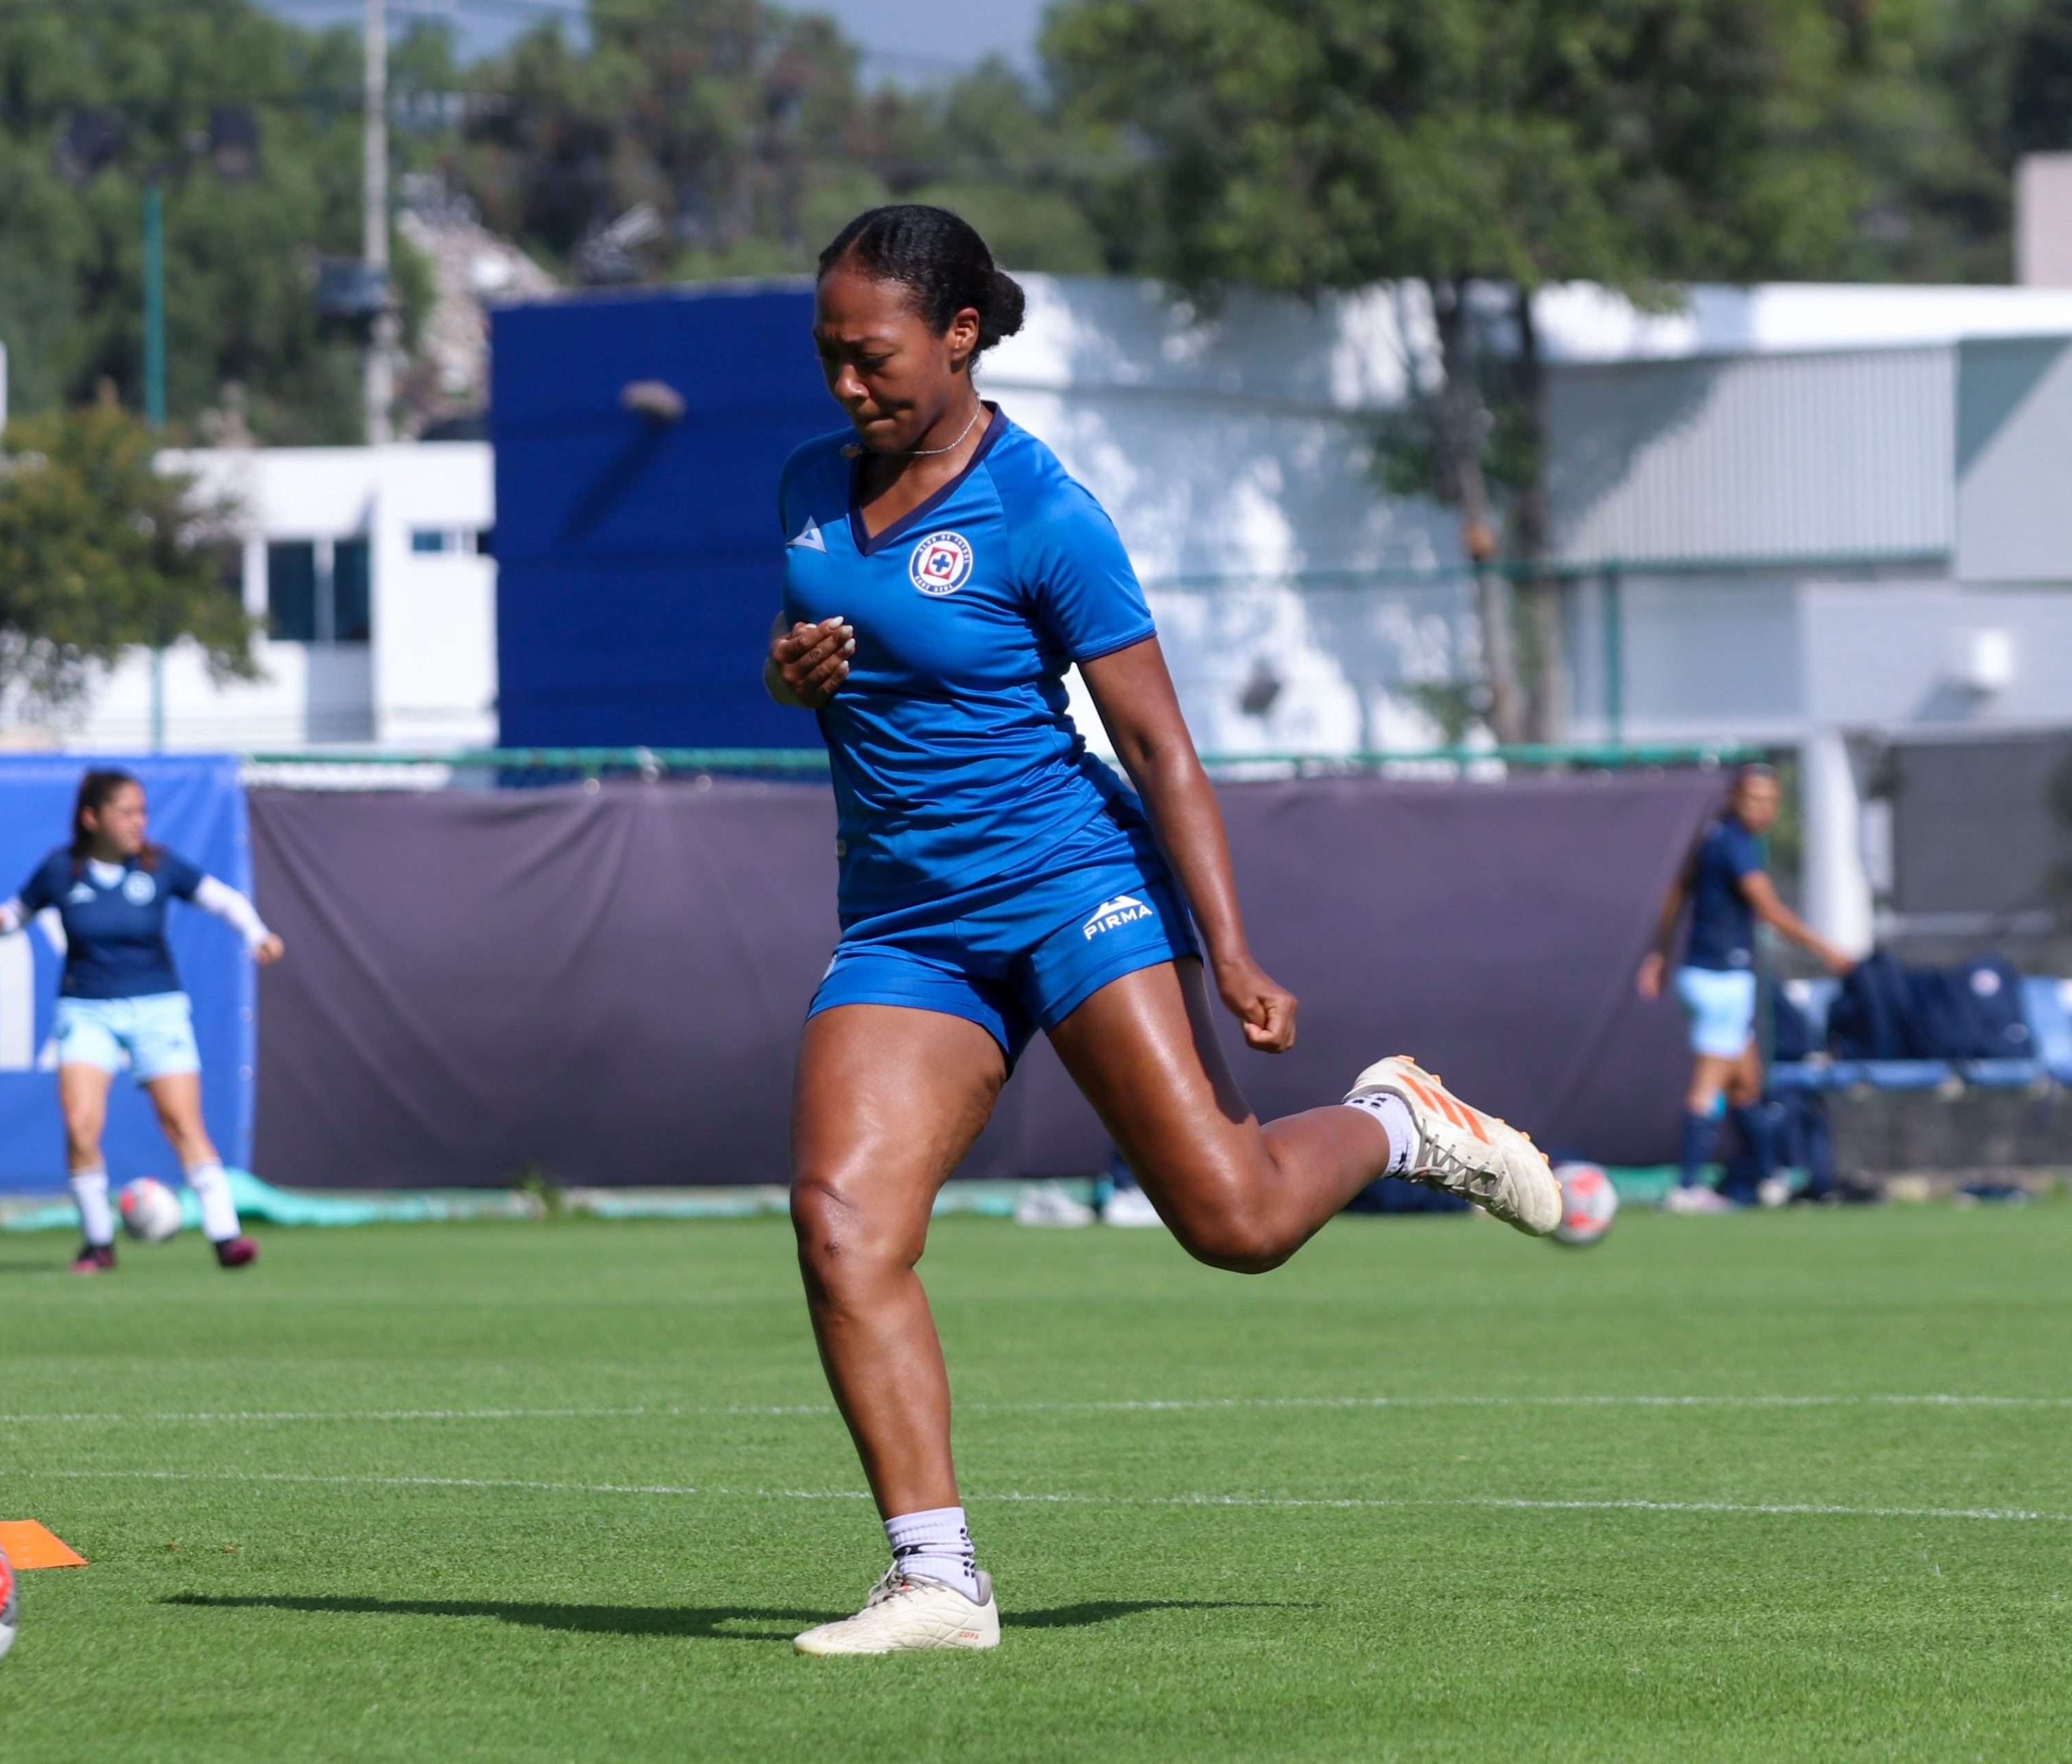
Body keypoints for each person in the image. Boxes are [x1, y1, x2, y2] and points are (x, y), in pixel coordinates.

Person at [765, 205, 1562, 1657]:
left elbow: (1162, 745)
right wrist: (791, 679)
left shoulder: (1045, 514)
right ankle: (937, 1577)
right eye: (826, 354)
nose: (844, 386)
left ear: (958, 338)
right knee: (838, 1223)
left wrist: (1232, 945)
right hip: (904, 924)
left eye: (871, 356)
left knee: (1237, 1220)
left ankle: (1398, 1120)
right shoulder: (810, 492)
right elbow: (831, 666)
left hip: (1073, 886)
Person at [0, 769, 285, 1273]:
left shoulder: (159, 866)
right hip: (85, 1009)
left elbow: (225, 900)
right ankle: (98, 1243)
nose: (138, 822)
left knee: (183, 1123)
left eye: (142, 811)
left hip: (157, 1007)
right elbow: (16, 912)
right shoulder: (62, 870)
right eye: (127, 812)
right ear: (92, 817)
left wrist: (257, 934)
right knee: (81, 1127)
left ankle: (226, 1236)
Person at [1636, 764, 1855, 1213]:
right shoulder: (1736, 844)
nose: (1764, 809)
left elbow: (1675, 894)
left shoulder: (1712, 837)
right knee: (1708, 1086)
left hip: (1704, 976)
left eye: (1771, 801)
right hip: (1721, 978)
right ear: (1735, 798)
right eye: (1754, 799)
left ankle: (1768, 1175)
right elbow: (1768, 909)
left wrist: (1659, 954)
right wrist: (1825, 948)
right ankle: (1689, 1187)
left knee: (1746, 1084)